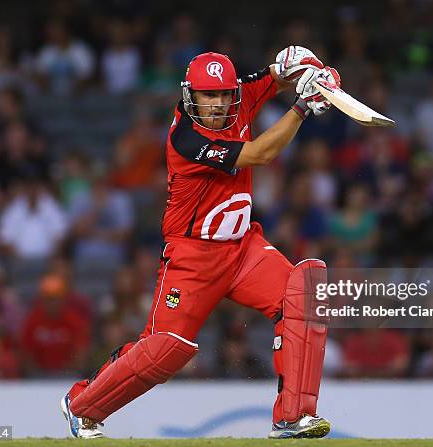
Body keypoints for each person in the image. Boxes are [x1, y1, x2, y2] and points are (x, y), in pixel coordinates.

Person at [61, 46, 339, 439]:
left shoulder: (237, 96)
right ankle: (82, 405)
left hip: (242, 248)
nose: (218, 103)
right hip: (192, 256)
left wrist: (304, 68)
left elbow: (272, 77)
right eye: (209, 96)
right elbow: (260, 154)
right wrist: (304, 106)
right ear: (190, 95)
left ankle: (292, 417)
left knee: (304, 292)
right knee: (165, 348)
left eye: (225, 94)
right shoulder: (186, 138)